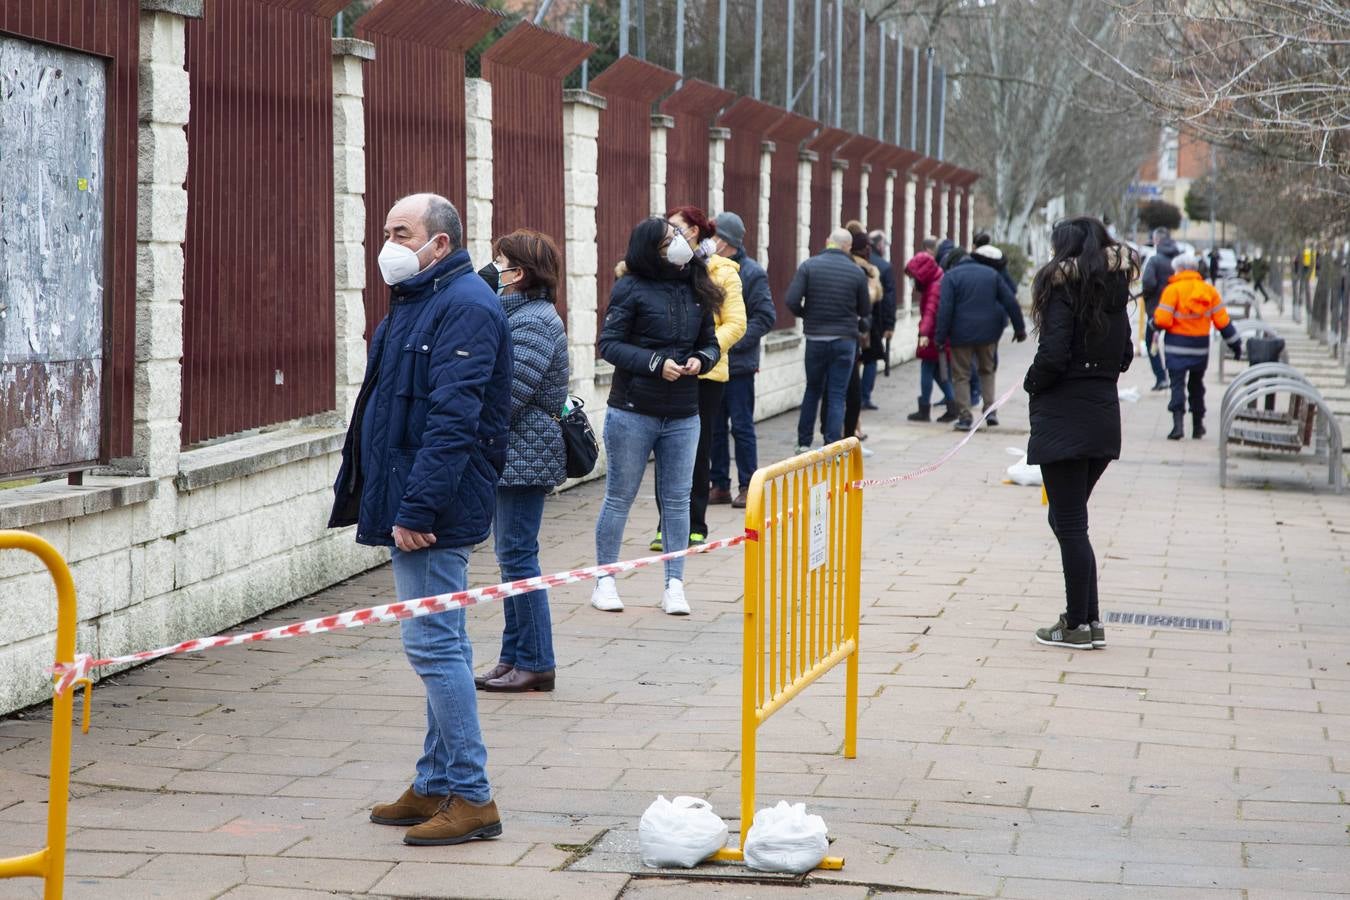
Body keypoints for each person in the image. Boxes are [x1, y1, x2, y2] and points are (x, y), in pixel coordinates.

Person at [329, 193, 509, 845]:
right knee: (447, 645)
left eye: (401, 232)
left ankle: (473, 796)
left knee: (432, 646)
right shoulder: (418, 302)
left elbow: (454, 419)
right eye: (386, 231)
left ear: (440, 243)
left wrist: (418, 508)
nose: (388, 244)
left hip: (432, 507)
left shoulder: (464, 306)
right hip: (411, 495)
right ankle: (434, 782)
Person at [592, 217, 722, 615]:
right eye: (669, 240)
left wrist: (702, 360)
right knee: (619, 497)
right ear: (651, 248)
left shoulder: (697, 285)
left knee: (678, 500)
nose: (679, 243)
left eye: (679, 236)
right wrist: (654, 362)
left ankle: (675, 584)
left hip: (684, 412)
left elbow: (711, 343)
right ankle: (605, 581)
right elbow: (609, 345)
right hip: (633, 410)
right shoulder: (630, 286)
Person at [1023, 216, 1136, 650]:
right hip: (1102, 416)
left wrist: (1033, 382)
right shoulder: (1115, 289)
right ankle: (1089, 620)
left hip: (1064, 417)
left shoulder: (1061, 287)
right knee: (1068, 520)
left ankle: (1075, 624)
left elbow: (1052, 355)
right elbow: (1125, 354)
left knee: (1069, 523)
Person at [474, 230, 569, 694]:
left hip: (525, 453)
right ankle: (513, 657)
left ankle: (535, 662)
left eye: (502, 261)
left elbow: (509, 394)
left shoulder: (533, 321)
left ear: (522, 272)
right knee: (510, 557)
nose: (495, 268)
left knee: (518, 558)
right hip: (514, 453)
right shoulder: (517, 314)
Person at [649, 206, 745, 551]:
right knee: (665, 449)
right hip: (669, 372)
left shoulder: (722, 271)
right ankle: (664, 525)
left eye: (677, 228)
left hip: (706, 374)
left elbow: (736, 323)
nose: (671, 235)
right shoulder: (663, 269)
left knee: (697, 449)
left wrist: (703, 353)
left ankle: (696, 524)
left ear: (695, 231)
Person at [708, 211, 776, 509]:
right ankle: (719, 484)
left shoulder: (752, 273)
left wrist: (735, 341)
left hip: (740, 365)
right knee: (715, 427)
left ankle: (749, 484)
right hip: (715, 364)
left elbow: (765, 316)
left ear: (724, 240)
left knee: (742, 425)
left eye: (713, 235)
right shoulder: (710, 269)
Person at [786, 227, 870, 453]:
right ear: (849, 247)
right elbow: (864, 308)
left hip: (815, 338)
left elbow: (792, 300)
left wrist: (808, 315)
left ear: (827, 241)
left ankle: (804, 442)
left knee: (812, 389)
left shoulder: (809, 266)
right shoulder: (856, 272)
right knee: (836, 393)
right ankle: (831, 445)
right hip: (844, 340)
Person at [934, 244, 1026, 430]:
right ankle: (990, 411)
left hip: (960, 335)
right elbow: (1010, 301)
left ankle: (965, 417)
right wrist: (1019, 328)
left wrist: (940, 337)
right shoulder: (991, 274)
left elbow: (945, 309)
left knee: (961, 375)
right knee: (987, 370)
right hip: (988, 333)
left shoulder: (951, 277)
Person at [1154, 253, 1242, 440]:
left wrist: (1153, 325)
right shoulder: (1209, 291)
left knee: (1177, 385)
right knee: (1196, 385)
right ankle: (1198, 425)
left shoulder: (1173, 290)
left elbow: (1162, 320)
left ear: (1178, 269)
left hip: (1176, 347)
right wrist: (1236, 345)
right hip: (1200, 348)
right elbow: (1223, 322)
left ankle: (1178, 426)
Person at [841, 229, 882, 456]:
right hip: (854, 333)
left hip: (845, 333)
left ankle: (850, 432)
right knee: (849, 388)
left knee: (837, 389)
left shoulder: (862, 268)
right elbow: (870, 301)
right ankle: (851, 433)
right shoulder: (865, 271)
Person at [905, 243, 956, 422]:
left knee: (928, 370)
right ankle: (952, 405)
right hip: (940, 335)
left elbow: (930, 313)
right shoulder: (938, 281)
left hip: (933, 336)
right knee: (939, 373)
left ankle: (924, 408)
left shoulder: (934, 287)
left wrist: (924, 334)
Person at [1140, 228, 1181, 391]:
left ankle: (1161, 377)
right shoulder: (1179, 260)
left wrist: (1148, 296)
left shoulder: (1154, 261)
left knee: (1152, 343)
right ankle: (1174, 377)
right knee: (1172, 343)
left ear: (1157, 241)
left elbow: (1148, 283)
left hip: (1156, 312)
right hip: (1176, 310)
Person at [860, 230, 897, 411]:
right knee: (871, 359)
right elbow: (889, 299)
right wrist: (889, 325)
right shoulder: (884, 267)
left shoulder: (854, 262)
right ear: (879, 245)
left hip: (854, 319)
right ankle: (864, 397)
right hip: (875, 320)